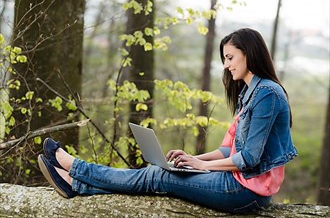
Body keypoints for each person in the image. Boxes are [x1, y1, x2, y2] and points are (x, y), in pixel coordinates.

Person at [38, 28, 298, 213]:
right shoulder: (250, 93)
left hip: (246, 192)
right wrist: (193, 159)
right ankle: (76, 183)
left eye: (230, 57)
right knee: (161, 172)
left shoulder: (266, 94)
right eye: (225, 60)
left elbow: (249, 159)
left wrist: (200, 165)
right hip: (237, 183)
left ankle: (76, 169)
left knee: (157, 176)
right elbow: (228, 149)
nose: (226, 65)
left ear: (249, 53)